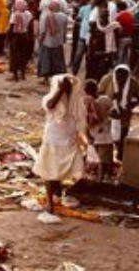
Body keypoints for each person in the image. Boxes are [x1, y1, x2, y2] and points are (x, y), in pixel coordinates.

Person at [32, 74, 86, 223]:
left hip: (68, 140)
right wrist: (61, 90)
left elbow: (80, 119)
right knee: (49, 172)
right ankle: (50, 202)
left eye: (69, 88)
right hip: (53, 140)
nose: (68, 90)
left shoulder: (74, 102)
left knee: (64, 170)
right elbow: (50, 106)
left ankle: (58, 194)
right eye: (64, 87)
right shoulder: (49, 98)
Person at [101, 64, 139, 162]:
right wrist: (111, 100)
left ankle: (120, 155)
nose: (120, 80)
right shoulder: (107, 79)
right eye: (118, 77)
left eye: (123, 77)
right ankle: (106, 159)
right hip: (108, 113)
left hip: (125, 114)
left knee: (123, 135)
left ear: (127, 76)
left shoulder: (133, 83)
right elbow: (99, 93)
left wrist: (132, 104)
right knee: (107, 137)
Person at [86, 79, 114, 181]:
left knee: (102, 160)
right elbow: (113, 113)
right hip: (102, 134)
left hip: (99, 134)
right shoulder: (104, 99)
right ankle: (103, 179)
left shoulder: (99, 100)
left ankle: (101, 180)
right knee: (104, 160)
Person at [38, 1, 69, 81]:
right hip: (58, 42)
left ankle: (46, 78)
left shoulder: (47, 16)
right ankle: (58, 79)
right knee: (58, 60)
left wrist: (41, 40)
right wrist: (64, 38)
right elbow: (65, 29)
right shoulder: (64, 17)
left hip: (47, 41)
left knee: (46, 60)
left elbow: (43, 30)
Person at [8, 0, 33, 81]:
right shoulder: (28, 14)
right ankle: (22, 74)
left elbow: (12, 27)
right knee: (23, 55)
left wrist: (8, 38)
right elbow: (30, 25)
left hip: (16, 36)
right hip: (24, 35)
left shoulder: (15, 15)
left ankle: (15, 75)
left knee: (15, 55)